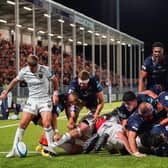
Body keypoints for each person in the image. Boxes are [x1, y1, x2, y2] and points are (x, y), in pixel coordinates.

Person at [0, 55, 58, 158]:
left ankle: (50, 147)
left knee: (47, 123)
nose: (32, 69)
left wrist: (55, 93)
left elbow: (55, 80)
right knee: (22, 124)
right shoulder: (24, 71)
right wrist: (6, 92)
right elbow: (14, 81)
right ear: (28, 65)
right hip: (32, 100)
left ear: (37, 64)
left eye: (34, 67)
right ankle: (13, 149)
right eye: (31, 67)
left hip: (44, 99)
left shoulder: (45, 70)